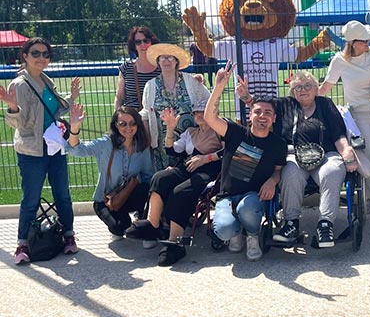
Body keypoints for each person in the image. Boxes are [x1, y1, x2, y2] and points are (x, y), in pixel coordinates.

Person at [237, 71, 357, 248]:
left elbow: (338, 134)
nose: (303, 90)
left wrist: (346, 152)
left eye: (307, 86)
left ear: (316, 89)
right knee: (290, 172)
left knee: (332, 170)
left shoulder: (326, 104)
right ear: (293, 91)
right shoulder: (284, 104)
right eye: (298, 87)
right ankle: (291, 223)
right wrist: (246, 96)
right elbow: (262, 109)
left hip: (325, 154)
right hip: (293, 154)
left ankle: (325, 224)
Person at [0, 37, 81, 265]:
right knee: (31, 198)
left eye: (46, 54)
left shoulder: (46, 80)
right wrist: (13, 107)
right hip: (32, 151)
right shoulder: (19, 85)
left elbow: (54, 109)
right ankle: (22, 243)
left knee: (63, 195)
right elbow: (18, 123)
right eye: (36, 53)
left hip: (54, 147)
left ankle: (68, 236)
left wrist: (71, 97)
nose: (41, 58)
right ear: (25, 56)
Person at [205, 61, 287, 262]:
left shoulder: (278, 144)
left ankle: (252, 235)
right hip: (226, 196)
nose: (262, 116)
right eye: (257, 112)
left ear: (274, 119)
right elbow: (209, 117)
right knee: (224, 230)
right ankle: (234, 233)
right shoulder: (235, 132)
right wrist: (219, 88)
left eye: (268, 113)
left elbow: (278, 170)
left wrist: (273, 181)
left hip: (253, 196)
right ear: (250, 115)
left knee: (247, 207)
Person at [125, 99, 223, 266]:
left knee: (180, 191)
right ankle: (153, 224)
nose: (199, 114)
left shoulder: (220, 131)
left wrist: (205, 158)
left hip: (210, 171)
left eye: (203, 110)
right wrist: (170, 129)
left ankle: (175, 242)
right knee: (160, 177)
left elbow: (229, 151)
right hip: (187, 167)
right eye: (196, 111)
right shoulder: (191, 132)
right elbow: (172, 150)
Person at [319, 20, 370, 224]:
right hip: (359, 113)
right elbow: (326, 86)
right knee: (369, 159)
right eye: (363, 40)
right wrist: (307, 100)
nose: (368, 42)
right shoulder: (339, 60)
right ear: (352, 43)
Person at [66, 105, 152, 241]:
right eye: (123, 124)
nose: (128, 128)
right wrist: (75, 127)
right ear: (116, 125)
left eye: (132, 123)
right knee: (120, 228)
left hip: (129, 194)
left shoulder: (142, 146)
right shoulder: (106, 144)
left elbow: (148, 176)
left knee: (146, 189)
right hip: (105, 200)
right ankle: (120, 222)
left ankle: (144, 229)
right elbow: (76, 150)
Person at [141, 43, 210, 171]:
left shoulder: (191, 81)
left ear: (176, 61)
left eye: (170, 57)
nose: (166, 61)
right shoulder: (150, 86)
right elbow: (145, 114)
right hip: (162, 146)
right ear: (158, 61)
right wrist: (148, 139)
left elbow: (209, 102)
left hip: (191, 143)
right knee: (163, 180)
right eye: (163, 57)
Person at [114, 26, 160, 110]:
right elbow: (119, 97)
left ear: (152, 42)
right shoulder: (126, 68)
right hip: (132, 120)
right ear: (134, 45)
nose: (143, 45)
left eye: (146, 41)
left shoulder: (162, 68)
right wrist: (116, 119)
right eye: (138, 42)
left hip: (155, 118)